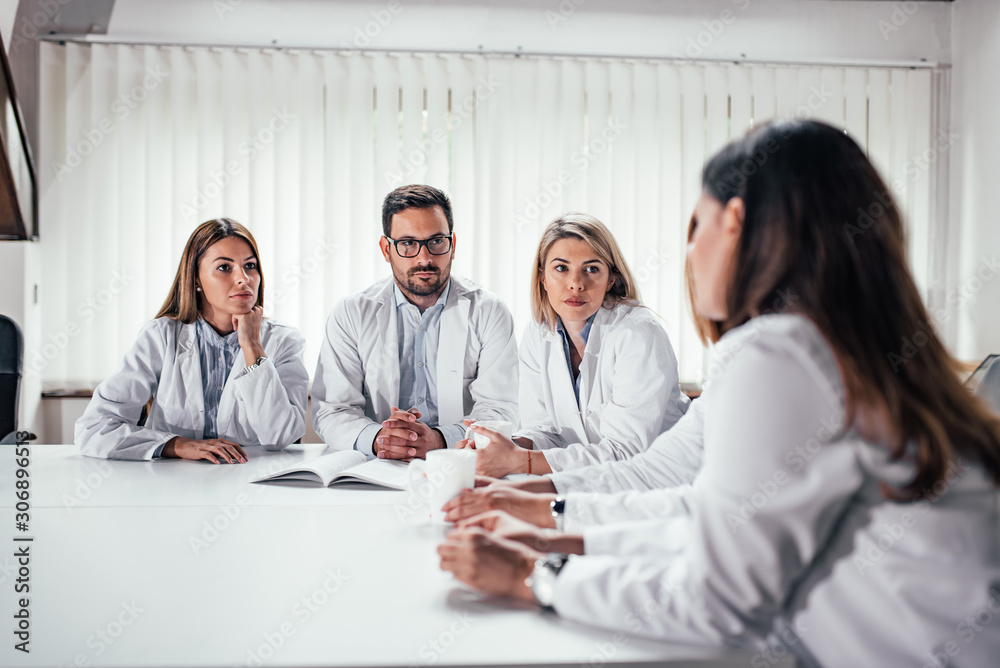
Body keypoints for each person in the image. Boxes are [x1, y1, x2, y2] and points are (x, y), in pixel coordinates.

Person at [437, 119, 1000, 666]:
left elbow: (720, 600)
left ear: (733, 222)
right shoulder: (836, 342)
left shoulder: (779, 354)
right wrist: (549, 516)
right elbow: (684, 491)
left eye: (694, 226)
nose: (689, 253)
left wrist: (531, 575)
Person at [459, 213, 688, 478]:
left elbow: (626, 453)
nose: (576, 283)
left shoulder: (638, 335)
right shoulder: (538, 333)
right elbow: (546, 430)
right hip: (594, 485)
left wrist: (521, 462)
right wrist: (506, 448)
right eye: (561, 268)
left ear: (610, 279)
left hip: (664, 482)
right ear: (542, 277)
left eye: (591, 269)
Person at [312, 184, 519, 460]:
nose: (424, 258)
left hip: (460, 463)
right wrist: (379, 439)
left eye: (436, 241)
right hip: (374, 465)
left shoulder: (489, 311)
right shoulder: (350, 313)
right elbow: (333, 410)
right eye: (408, 243)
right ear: (386, 249)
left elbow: (500, 410)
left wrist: (440, 439)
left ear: (453, 245)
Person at [76, 218, 308, 462]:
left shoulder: (283, 340)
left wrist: (252, 345)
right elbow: (94, 429)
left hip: (250, 479)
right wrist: (176, 445)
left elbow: (281, 435)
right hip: (170, 482)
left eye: (250, 266)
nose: (243, 278)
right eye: (224, 268)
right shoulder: (161, 337)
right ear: (196, 278)